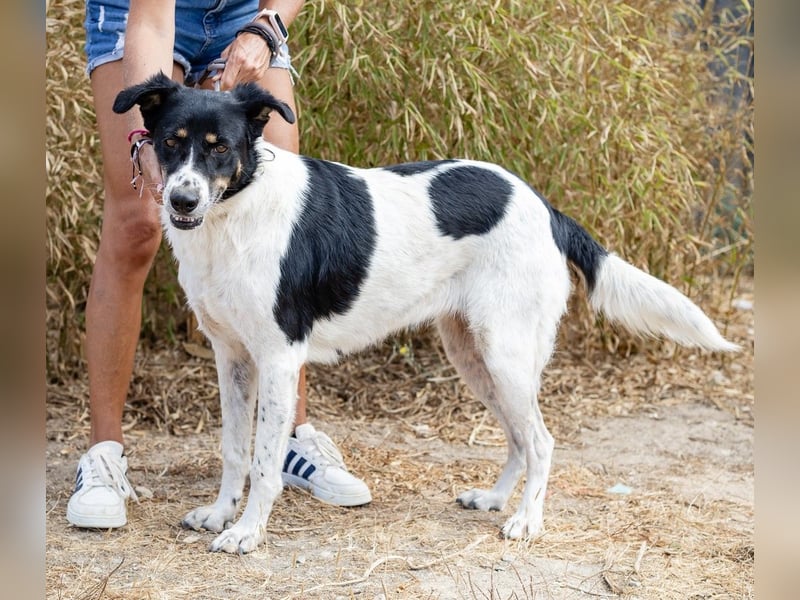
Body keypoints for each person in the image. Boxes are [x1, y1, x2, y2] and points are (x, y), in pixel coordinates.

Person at [67, 0, 371, 529]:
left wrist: (267, 26)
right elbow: (152, 19)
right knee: (138, 222)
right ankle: (104, 456)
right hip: (145, 13)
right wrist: (142, 138)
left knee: (282, 207)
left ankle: (292, 442)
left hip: (246, 12)